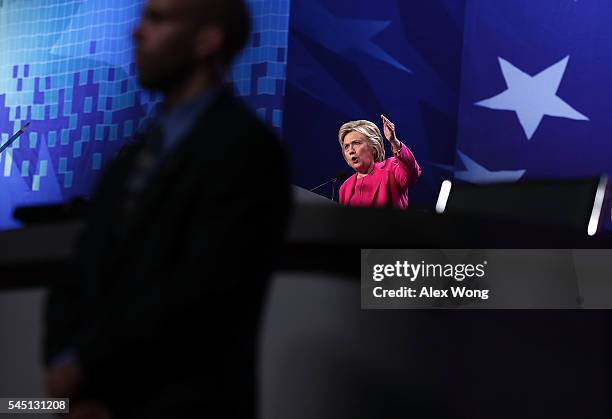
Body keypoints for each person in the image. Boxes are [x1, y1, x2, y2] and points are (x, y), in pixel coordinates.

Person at [43, 0, 291, 418]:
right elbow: (78, 273)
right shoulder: (130, 158)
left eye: (157, 19)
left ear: (207, 40)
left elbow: (198, 296)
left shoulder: (248, 151)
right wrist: (63, 370)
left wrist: (84, 365)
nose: (136, 33)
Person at [338, 115, 421, 208]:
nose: (351, 150)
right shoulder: (345, 187)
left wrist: (394, 141)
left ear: (373, 148)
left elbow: (412, 173)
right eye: (346, 147)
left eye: (356, 143)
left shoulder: (391, 168)